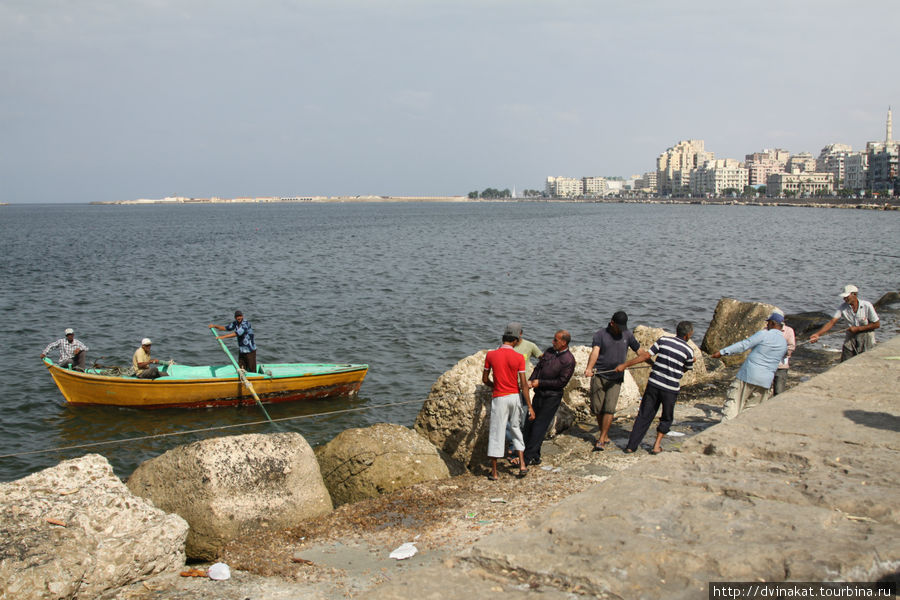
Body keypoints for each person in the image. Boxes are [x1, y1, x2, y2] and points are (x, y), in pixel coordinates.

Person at [617, 321, 695, 454]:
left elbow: (646, 355)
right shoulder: (689, 351)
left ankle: (631, 446)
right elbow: (687, 368)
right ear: (688, 335)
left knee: (644, 414)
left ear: (677, 331)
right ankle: (656, 445)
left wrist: (626, 364)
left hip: (654, 383)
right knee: (666, 417)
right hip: (670, 388)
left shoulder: (663, 340)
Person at [710, 312, 787, 421]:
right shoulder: (783, 342)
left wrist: (722, 352)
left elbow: (743, 345)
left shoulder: (764, 334)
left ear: (773, 323)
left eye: (768, 323)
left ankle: (726, 427)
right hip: (766, 381)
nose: (767, 326)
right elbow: (783, 356)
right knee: (753, 410)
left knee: (734, 403)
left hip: (749, 374)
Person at [483, 323, 534, 480]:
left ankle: (495, 472)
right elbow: (524, 385)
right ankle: (523, 465)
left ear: (504, 338)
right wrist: (530, 407)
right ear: (516, 340)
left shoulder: (491, 355)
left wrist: (495, 385)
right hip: (514, 397)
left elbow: (485, 379)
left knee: (496, 432)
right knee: (516, 429)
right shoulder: (519, 357)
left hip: (499, 397)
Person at [583, 311, 640, 451]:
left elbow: (640, 352)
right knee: (597, 408)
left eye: (623, 327)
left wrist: (650, 362)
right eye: (618, 327)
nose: (620, 330)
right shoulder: (600, 335)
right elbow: (595, 352)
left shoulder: (627, 335)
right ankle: (604, 433)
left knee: (609, 408)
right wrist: (589, 368)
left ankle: (602, 438)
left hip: (616, 378)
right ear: (611, 322)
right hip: (600, 375)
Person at [522, 330, 576, 466]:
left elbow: (561, 382)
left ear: (564, 343)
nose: (553, 342)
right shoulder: (549, 352)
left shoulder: (568, 360)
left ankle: (527, 457)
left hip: (552, 397)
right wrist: (531, 381)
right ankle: (535, 455)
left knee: (540, 425)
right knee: (530, 422)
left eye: (556, 340)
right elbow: (538, 368)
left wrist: (540, 382)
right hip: (539, 393)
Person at [809, 285, 880, 362]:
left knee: (864, 362)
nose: (845, 299)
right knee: (845, 361)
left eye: (847, 297)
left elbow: (876, 324)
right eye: (844, 297)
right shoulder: (842, 307)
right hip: (850, 337)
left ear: (854, 295)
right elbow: (832, 322)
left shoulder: (867, 305)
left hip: (866, 338)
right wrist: (817, 334)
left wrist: (858, 328)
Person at [771, 309, 796, 396]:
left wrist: (782, 351)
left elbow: (791, 347)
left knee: (779, 392)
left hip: (781, 366)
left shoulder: (789, 331)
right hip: (766, 366)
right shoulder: (765, 330)